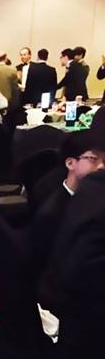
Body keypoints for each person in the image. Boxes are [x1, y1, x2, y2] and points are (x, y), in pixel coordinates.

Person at [30, 131, 105, 308]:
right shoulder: (52, 211)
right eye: (93, 159)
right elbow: (51, 269)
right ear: (70, 163)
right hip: (66, 300)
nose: (101, 166)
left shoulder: (94, 201)